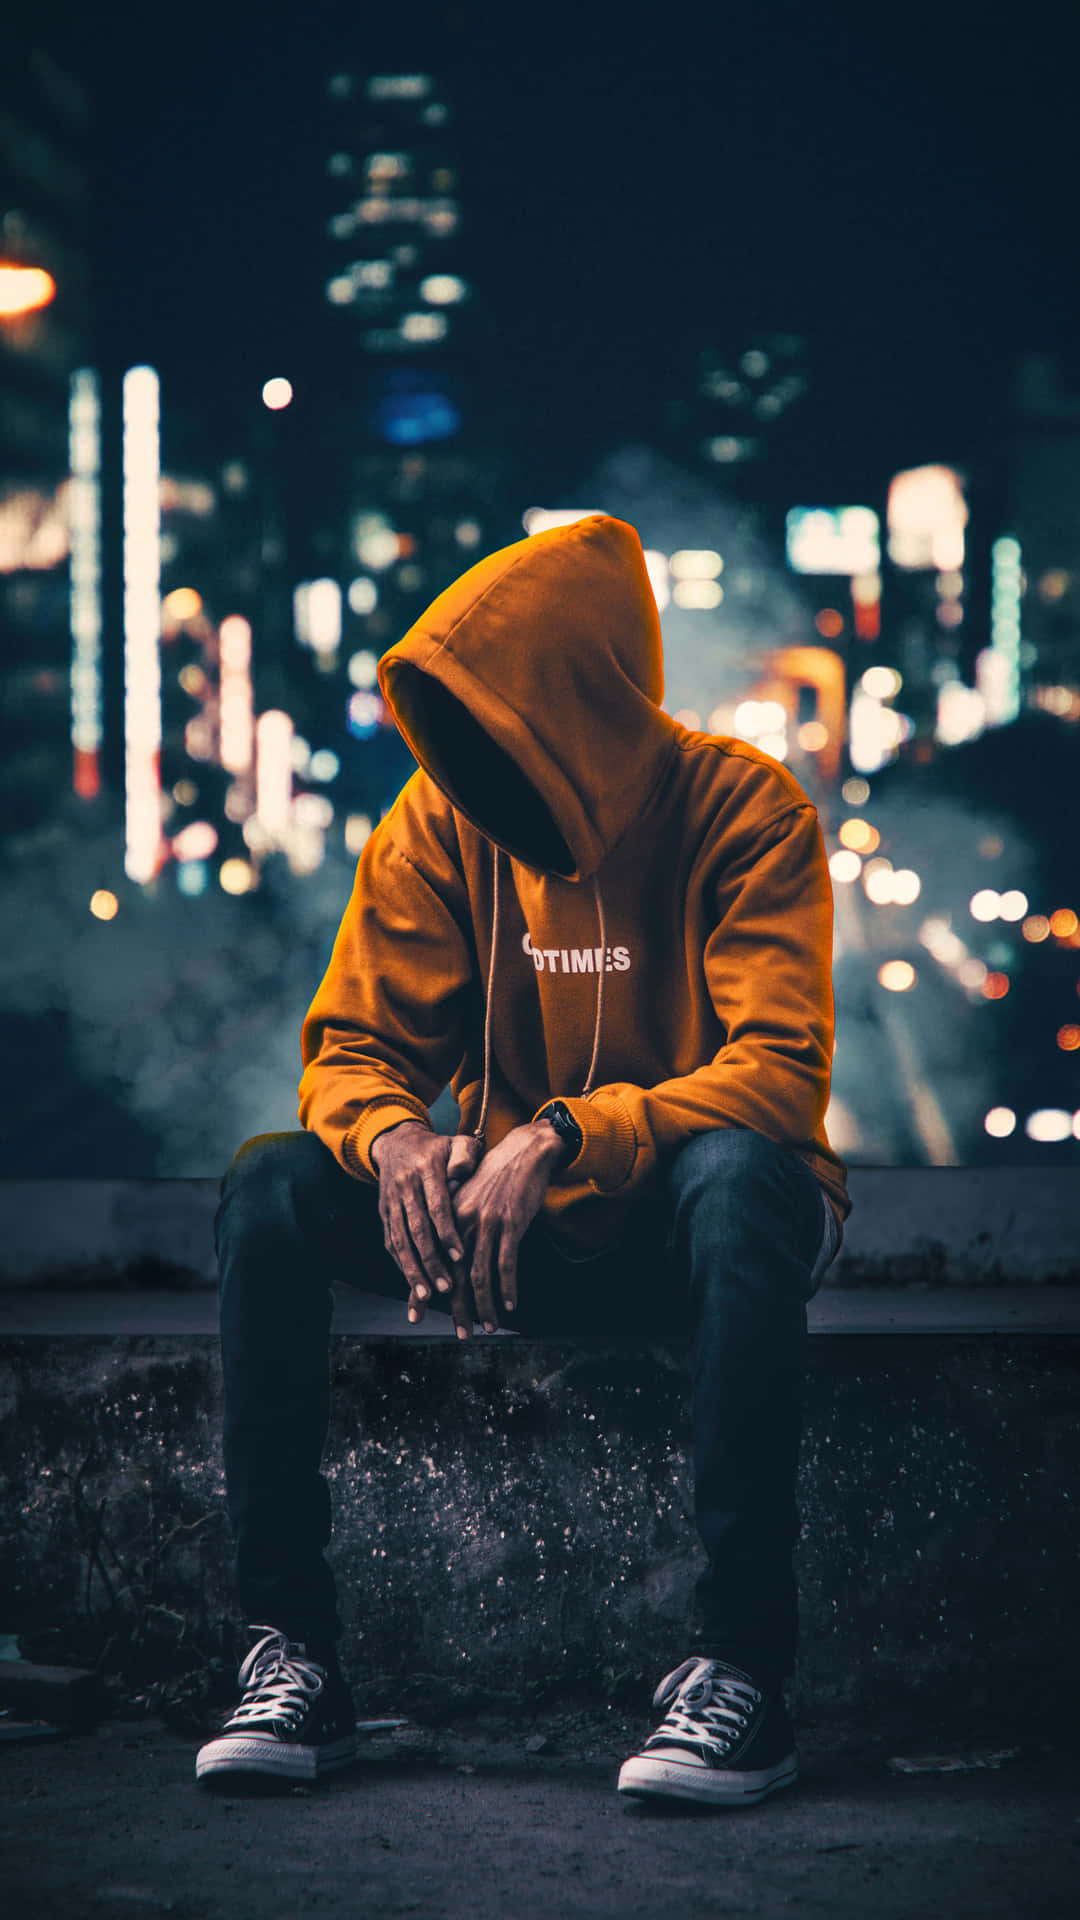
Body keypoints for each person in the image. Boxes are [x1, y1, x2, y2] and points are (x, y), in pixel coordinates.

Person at [198, 512, 851, 1807]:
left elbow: (781, 1067)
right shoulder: (440, 819)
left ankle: (743, 1678)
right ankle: (291, 1660)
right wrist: (391, 1138)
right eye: (467, 724)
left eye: (514, 721)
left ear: (593, 700)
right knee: (270, 1183)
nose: (486, 756)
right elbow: (353, 1045)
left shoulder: (741, 807)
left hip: (688, 1240)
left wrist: (562, 1131)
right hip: (503, 1250)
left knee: (739, 1182)